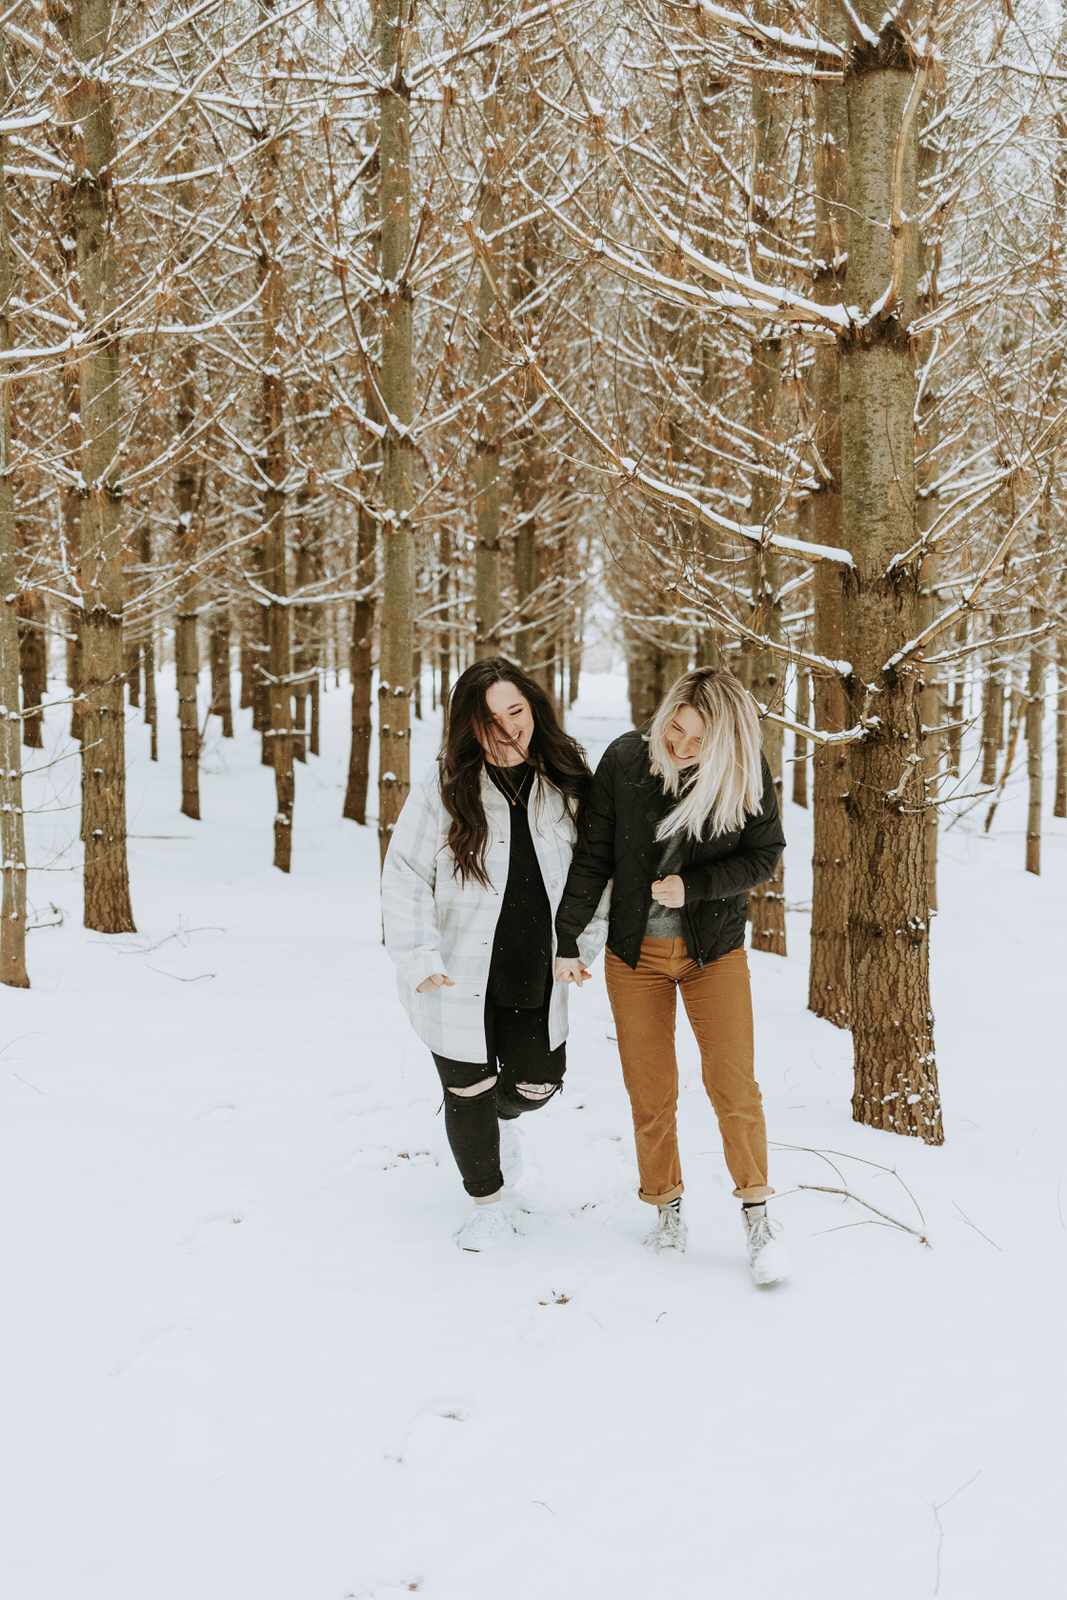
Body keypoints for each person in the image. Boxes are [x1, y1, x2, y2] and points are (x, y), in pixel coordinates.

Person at [553, 667, 790, 1284]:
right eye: (675, 730)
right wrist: (568, 935)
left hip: (713, 953)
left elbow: (765, 854)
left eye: (698, 741)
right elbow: (595, 853)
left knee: (734, 1087)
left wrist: (697, 886)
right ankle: (665, 1209)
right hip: (635, 958)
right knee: (650, 1091)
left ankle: (759, 1216)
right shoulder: (628, 759)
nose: (681, 748)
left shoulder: (745, 772)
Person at [382, 658, 605, 1252]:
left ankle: (505, 1119)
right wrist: (417, 955)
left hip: (536, 967)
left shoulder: (567, 782)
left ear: (534, 710)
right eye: (489, 720)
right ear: (468, 727)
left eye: (516, 712)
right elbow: (403, 874)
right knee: (467, 1089)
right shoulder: (444, 787)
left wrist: (582, 946)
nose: (507, 729)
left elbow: (596, 872)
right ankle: (485, 1200)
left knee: (537, 1083)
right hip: (456, 969)